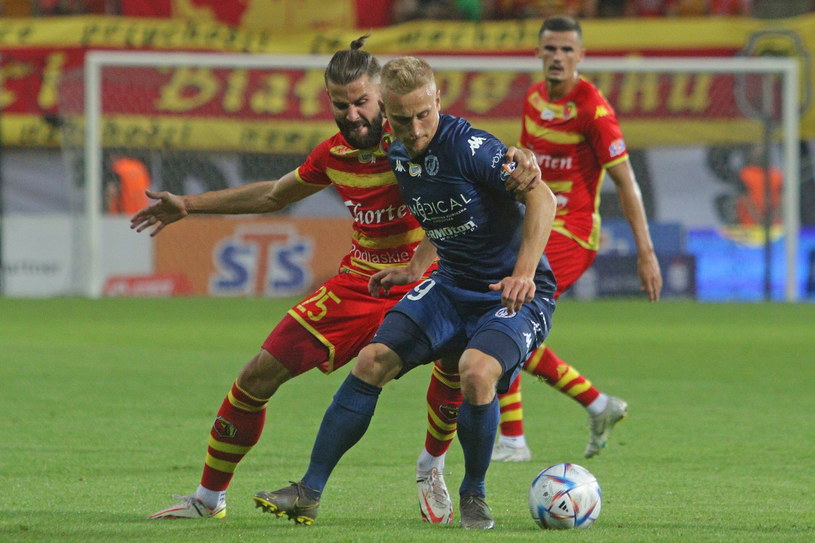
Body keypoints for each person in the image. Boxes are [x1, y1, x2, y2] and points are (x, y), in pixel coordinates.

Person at [135, 36, 541, 521]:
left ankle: (434, 464)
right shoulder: (335, 154)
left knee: (459, 371)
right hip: (363, 281)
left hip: (434, 275)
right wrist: (189, 204)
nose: (352, 115)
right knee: (257, 375)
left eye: (362, 103)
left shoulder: (418, 134)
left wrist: (520, 157)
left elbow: (472, 176)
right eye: (340, 104)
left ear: (384, 99)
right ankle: (208, 498)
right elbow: (272, 196)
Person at [252, 56, 558, 530]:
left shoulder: (472, 147)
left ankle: (474, 494)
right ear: (385, 114)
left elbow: (542, 196)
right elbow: (442, 212)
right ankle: (308, 492)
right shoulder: (397, 152)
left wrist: (524, 273)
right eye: (401, 119)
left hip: (510, 293)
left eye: (423, 115)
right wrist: (414, 266)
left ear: (438, 100)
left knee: (475, 373)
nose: (414, 129)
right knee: (372, 360)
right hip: (450, 284)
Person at [415, 16, 663, 509]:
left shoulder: (594, 109)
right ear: (538, 51)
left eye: (567, 49)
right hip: (533, 221)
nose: (557, 56)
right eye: (550, 47)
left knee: (508, 310)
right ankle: (586, 408)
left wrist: (646, 250)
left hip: (571, 233)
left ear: (581, 56)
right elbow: (527, 166)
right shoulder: (533, 99)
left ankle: (519, 436)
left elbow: (626, 182)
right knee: (501, 317)